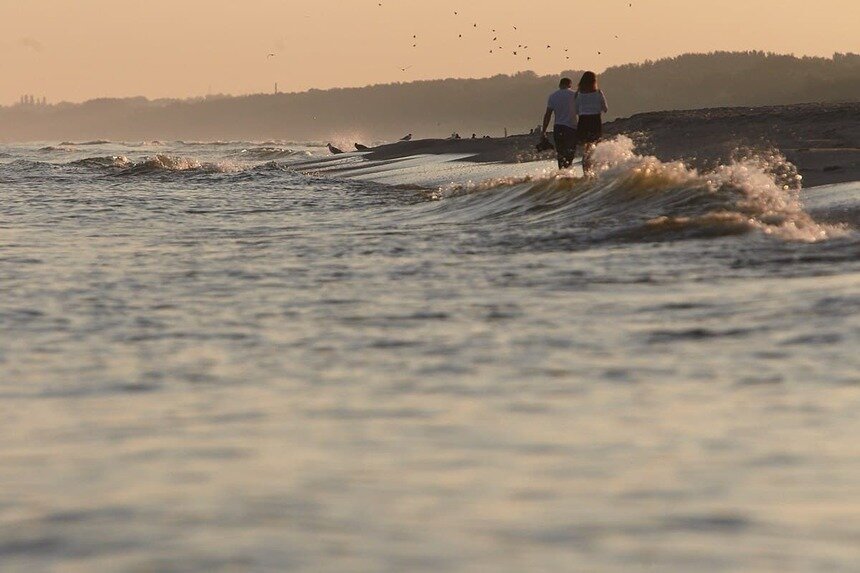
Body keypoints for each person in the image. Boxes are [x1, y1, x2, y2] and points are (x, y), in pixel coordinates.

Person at [574, 71, 608, 174]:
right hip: (595, 120)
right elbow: (605, 108)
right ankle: (595, 171)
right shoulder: (598, 93)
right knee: (595, 146)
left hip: (583, 121)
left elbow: (575, 110)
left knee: (586, 149)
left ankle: (586, 173)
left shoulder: (579, 94)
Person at [541, 77, 577, 169]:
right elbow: (580, 111)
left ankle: (561, 173)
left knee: (560, 154)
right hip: (570, 128)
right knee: (570, 153)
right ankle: (568, 174)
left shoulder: (553, 96)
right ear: (570, 85)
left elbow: (547, 114)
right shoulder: (575, 95)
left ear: (560, 85)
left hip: (558, 128)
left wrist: (543, 131)